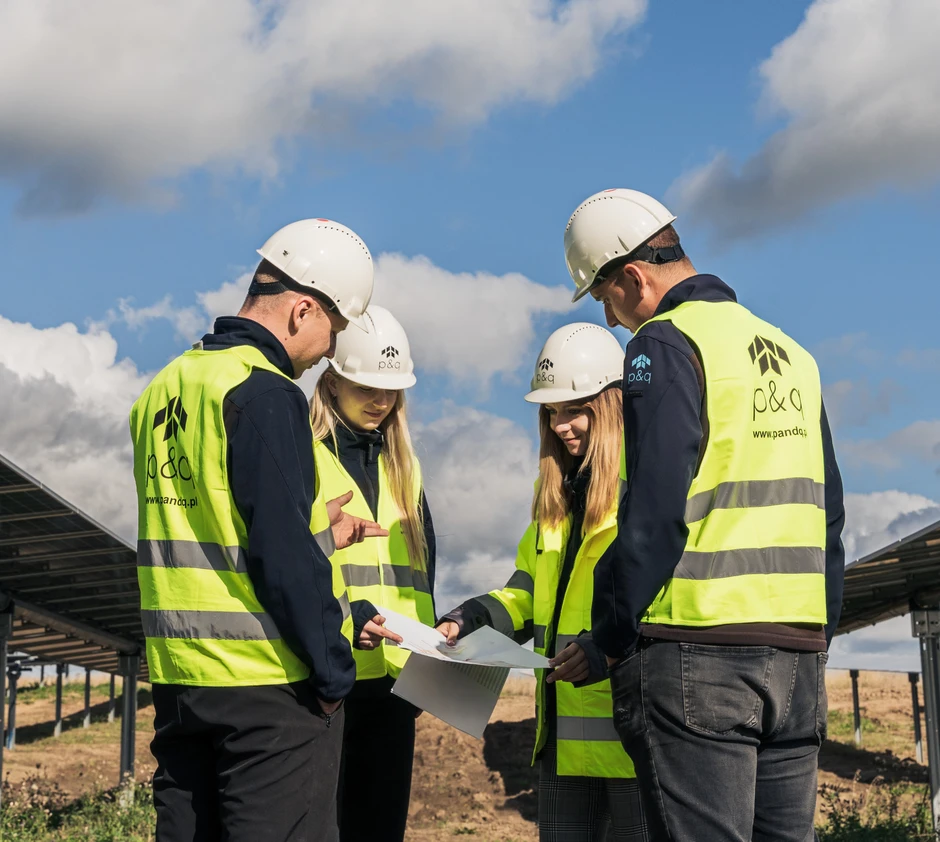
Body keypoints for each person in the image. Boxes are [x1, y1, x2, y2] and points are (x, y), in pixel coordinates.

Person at [564, 188, 846, 842]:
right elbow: (829, 515)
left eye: (604, 297)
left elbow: (654, 513)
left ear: (633, 276)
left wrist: (609, 637)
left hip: (700, 657)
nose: (610, 320)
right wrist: (819, 630)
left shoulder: (661, 344)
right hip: (799, 658)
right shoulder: (793, 355)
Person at [130, 218, 402, 842]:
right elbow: (281, 559)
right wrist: (334, 675)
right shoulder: (265, 391)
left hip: (181, 683)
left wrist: (320, 533)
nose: (330, 351)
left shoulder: (164, 388)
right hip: (267, 693)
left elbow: (210, 527)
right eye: (333, 330)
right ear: (303, 309)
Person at [437, 323, 648, 842]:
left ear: (611, 405)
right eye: (551, 413)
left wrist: (605, 648)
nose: (560, 426)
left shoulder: (646, 490)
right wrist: (469, 619)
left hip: (633, 750)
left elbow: (664, 604)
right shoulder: (553, 500)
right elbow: (528, 593)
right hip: (562, 750)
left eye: (573, 410)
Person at [309, 305, 436, 842]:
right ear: (333, 380)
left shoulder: (404, 469)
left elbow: (422, 583)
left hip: (396, 687)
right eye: (366, 387)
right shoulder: (305, 457)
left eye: (391, 390)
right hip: (328, 680)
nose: (381, 401)